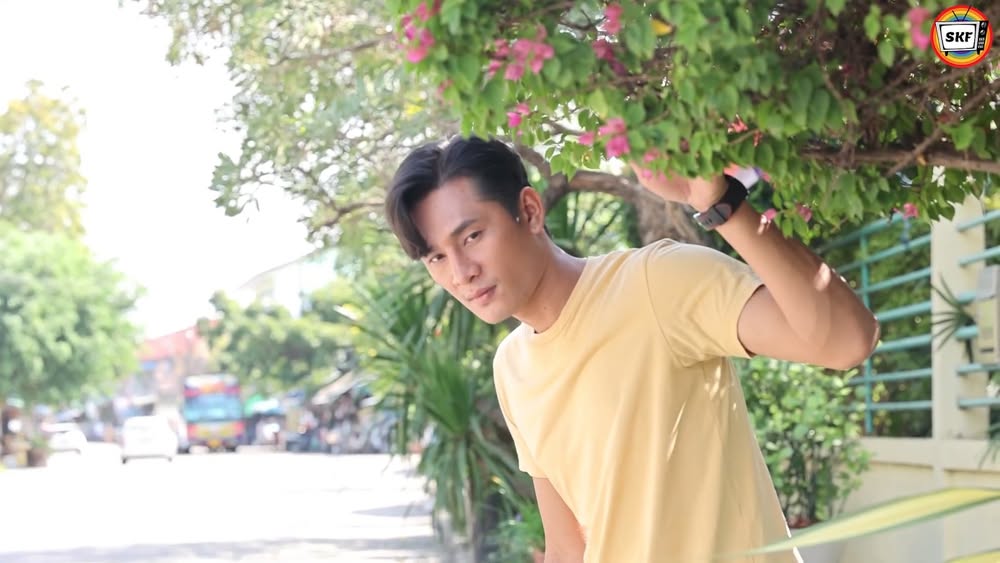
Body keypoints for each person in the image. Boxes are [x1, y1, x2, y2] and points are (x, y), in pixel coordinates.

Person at [384, 135, 879, 562]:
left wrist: (722, 204)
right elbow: (566, 546)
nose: (461, 272)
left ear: (529, 211)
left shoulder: (655, 283)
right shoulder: (511, 366)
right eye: (437, 257)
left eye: (472, 236)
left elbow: (848, 341)